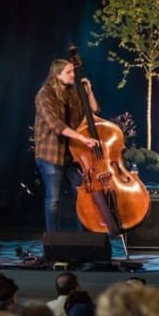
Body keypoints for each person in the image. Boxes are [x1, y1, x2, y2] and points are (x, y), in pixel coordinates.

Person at [34, 58, 100, 232]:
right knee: (54, 199)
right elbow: (56, 126)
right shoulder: (44, 94)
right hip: (51, 154)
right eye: (69, 72)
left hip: (73, 153)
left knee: (82, 194)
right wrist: (83, 138)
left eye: (73, 71)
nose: (73, 75)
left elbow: (93, 111)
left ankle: (84, 240)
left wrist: (89, 92)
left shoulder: (73, 92)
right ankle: (53, 241)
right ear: (57, 75)